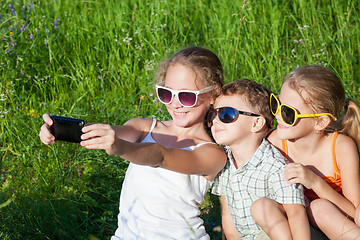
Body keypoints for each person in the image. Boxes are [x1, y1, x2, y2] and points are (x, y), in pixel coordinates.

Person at [39, 46, 227, 240]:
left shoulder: (212, 154)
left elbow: (161, 156)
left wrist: (120, 148)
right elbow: (106, 132)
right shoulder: (145, 128)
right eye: (167, 94)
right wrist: (57, 130)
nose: (175, 103)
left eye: (187, 96)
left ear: (213, 95)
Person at [267, 65, 360, 239]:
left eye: (288, 113)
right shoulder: (276, 143)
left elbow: (354, 212)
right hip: (299, 228)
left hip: (338, 225)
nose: (278, 115)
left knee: (320, 209)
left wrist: (315, 183)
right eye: (276, 104)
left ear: (320, 122)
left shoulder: (341, 148)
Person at [209, 79, 310, 240]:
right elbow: (227, 216)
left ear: (256, 123)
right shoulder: (223, 161)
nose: (215, 120)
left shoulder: (275, 166)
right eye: (213, 114)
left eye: (226, 114)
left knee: (262, 207)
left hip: (287, 235)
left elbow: (296, 214)